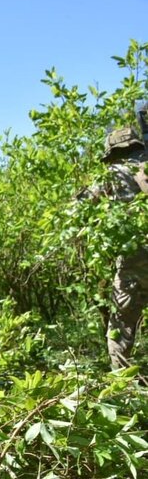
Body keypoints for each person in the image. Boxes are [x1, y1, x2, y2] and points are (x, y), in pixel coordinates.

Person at [87, 127, 147, 369]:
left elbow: (79, 205)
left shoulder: (115, 173)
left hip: (134, 261)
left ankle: (123, 389)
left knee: (121, 326)